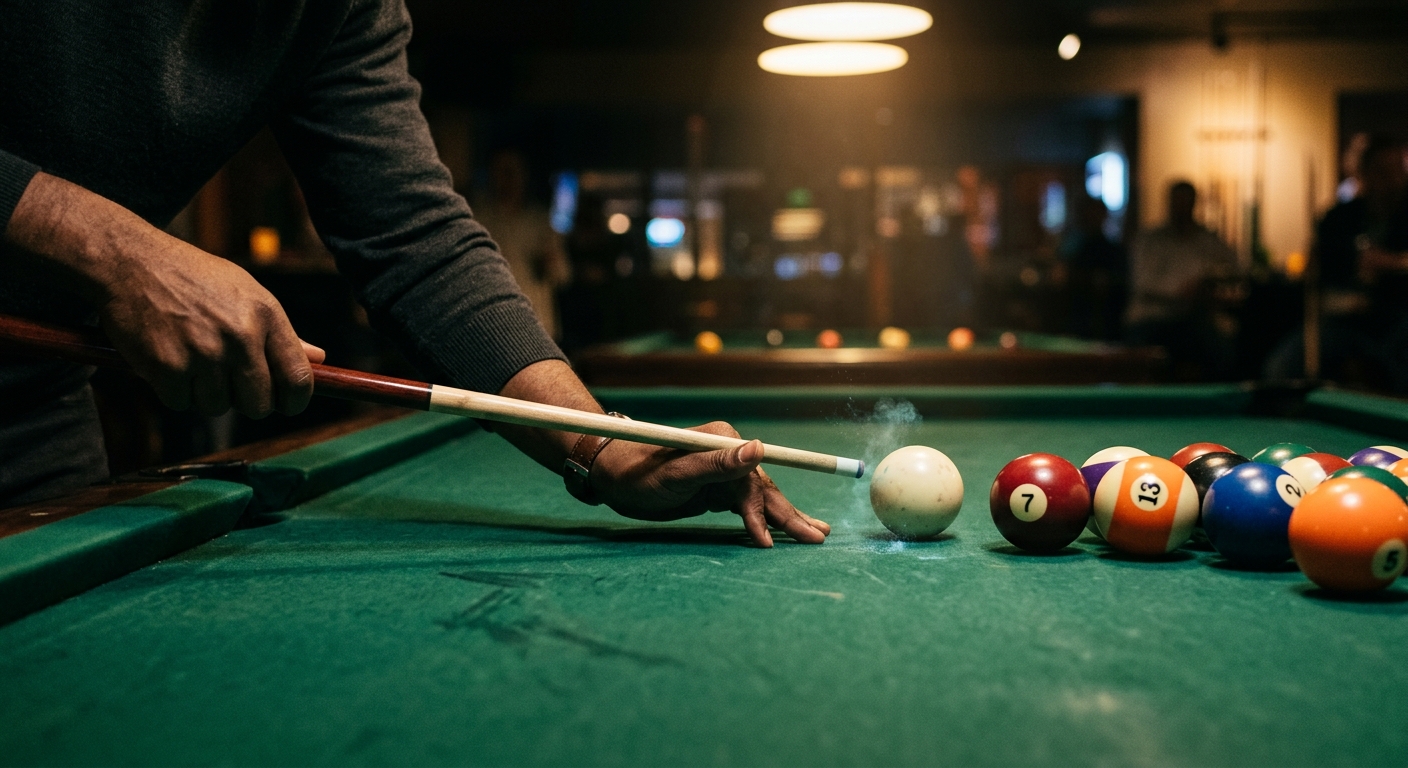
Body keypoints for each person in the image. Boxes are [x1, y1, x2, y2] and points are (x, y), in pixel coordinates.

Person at [0, 1, 829, 548]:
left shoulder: (341, 8)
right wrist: (113, 248)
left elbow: (413, 236)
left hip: (32, 404)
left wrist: (604, 449)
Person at [1264, 135, 1408, 390]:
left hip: (1395, 320)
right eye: (1384, 172)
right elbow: (1323, 268)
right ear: (1365, 175)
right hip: (1341, 322)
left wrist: (1393, 262)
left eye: (1399, 171)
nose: (1395, 179)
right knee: (1282, 368)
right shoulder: (1338, 218)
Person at [1125, 180, 1239, 378]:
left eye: (1185, 202)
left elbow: (1233, 270)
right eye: (1176, 201)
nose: (1180, 207)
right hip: (1151, 320)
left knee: (1223, 352)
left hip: (1192, 321)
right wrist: (1181, 291)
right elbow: (1142, 283)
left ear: (1194, 203)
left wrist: (1210, 290)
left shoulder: (1208, 240)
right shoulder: (1150, 240)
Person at [472, 151, 571, 339]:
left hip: (537, 324)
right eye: (502, 172)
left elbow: (562, 275)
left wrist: (551, 261)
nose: (507, 180)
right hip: (494, 326)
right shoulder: (479, 221)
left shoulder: (539, 222)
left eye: (513, 172)